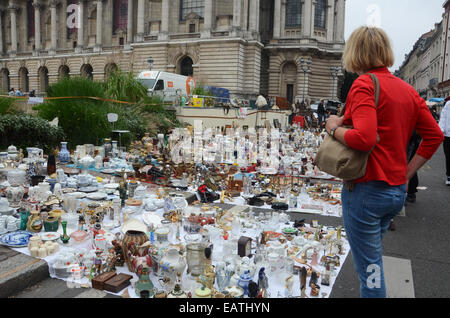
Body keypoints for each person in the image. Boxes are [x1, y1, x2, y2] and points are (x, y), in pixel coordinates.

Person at [326, 26, 444, 298]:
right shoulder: (407, 89)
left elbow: (365, 138)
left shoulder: (365, 84)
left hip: (366, 190)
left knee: (371, 274)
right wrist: (406, 172)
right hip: (394, 191)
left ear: (355, 52)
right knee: (370, 261)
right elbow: (434, 135)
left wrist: (333, 128)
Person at [440, 97, 450, 185]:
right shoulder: (448, 104)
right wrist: (441, 130)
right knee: (448, 156)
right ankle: (449, 175)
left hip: (447, 135)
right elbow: (443, 117)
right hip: (448, 135)